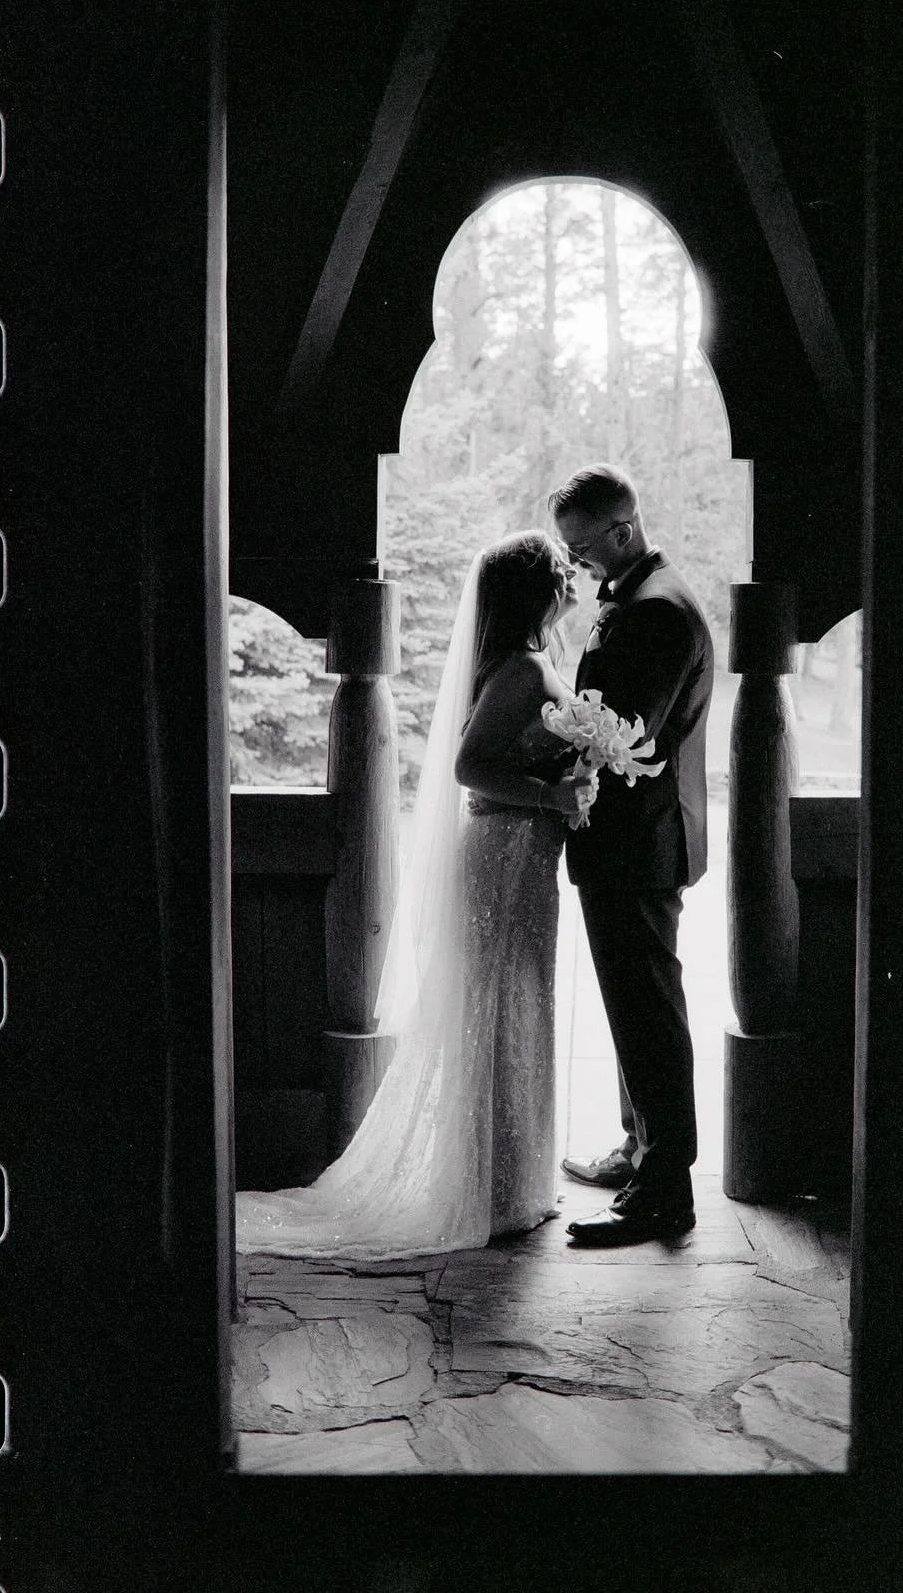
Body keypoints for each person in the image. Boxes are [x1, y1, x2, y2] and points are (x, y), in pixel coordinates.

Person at [234, 531, 596, 1260]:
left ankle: (512, 1182)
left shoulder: (531, 661)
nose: (571, 583)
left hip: (523, 856)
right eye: (561, 575)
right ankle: (493, 1189)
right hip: (504, 854)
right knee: (496, 1006)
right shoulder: (523, 670)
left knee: (516, 1004)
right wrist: (553, 793)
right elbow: (469, 765)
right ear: (536, 592)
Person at [549, 465, 715, 1246]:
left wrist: (545, 744)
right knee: (634, 1004)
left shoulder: (657, 614)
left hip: (638, 840)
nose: (576, 565)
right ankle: (640, 1146)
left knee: (648, 1010)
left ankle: (664, 1193)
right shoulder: (649, 598)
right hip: (632, 837)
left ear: (623, 531)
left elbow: (623, 734)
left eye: (582, 548)